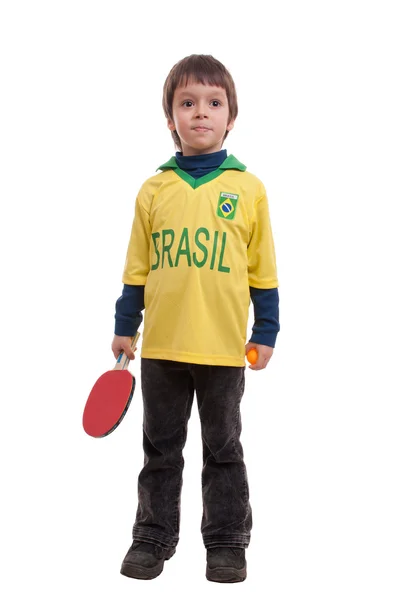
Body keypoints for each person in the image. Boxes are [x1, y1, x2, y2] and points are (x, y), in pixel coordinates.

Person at [111, 54, 280, 583]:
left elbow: (263, 269)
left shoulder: (248, 189)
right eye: (187, 103)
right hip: (161, 348)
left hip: (223, 349)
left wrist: (267, 331)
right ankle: (153, 537)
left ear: (231, 117)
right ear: (170, 119)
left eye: (213, 103)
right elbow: (137, 269)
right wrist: (124, 326)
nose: (200, 113)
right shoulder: (153, 190)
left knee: (223, 449)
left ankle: (227, 541)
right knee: (160, 450)